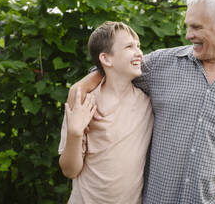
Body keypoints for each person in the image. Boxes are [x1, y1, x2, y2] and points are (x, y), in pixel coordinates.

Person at [68, 0, 215, 203]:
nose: (188, 35)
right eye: (187, 26)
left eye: (196, 27)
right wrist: (77, 89)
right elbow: (114, 69)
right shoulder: (163, 64)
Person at [59, 21, 153, 204]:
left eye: (138, 46)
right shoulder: (84, 103)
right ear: (106, 59)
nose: (139, 53)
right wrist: (75, 132)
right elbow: (70, 171)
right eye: (129, 46)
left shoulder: (147, 103)